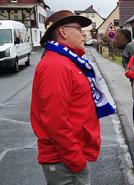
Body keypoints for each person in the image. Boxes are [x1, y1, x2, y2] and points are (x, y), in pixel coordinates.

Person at [30, 10, 115, 185]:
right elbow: (55, 121)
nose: (84, 33)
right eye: (78, 28)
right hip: (66, 162)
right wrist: (76, 159)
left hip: (69, 158)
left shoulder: (66, 61)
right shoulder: (56, 66)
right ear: (63, 32)